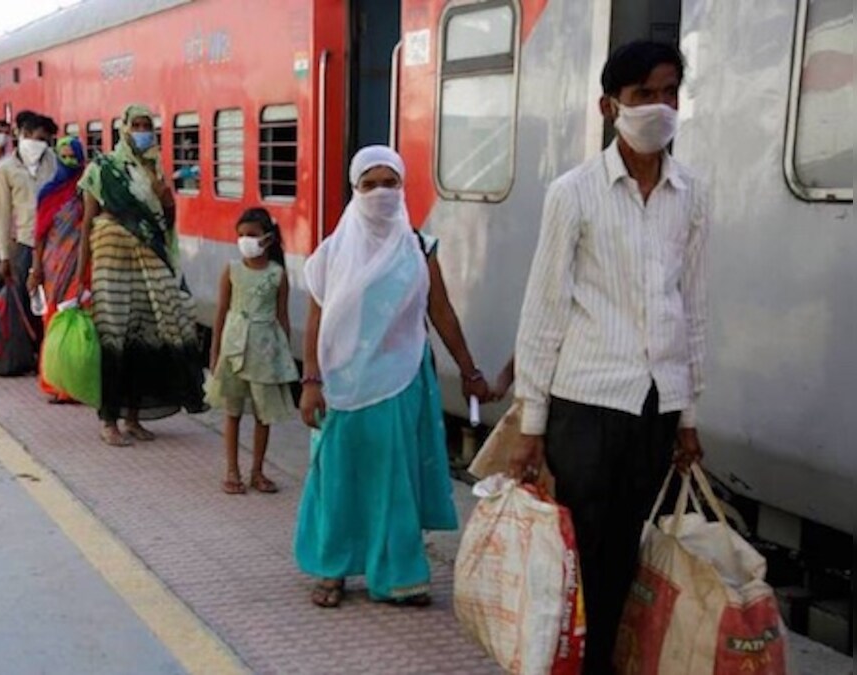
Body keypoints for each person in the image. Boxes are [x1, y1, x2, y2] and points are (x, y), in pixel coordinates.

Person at [512, 41, 708, 674]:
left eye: (670, 92)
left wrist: (687, 414)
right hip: (588, 404)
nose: (659, 106)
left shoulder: (690, 195)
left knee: (628, 552)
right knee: (587, 552)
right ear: (609, 106)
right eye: (643, 94)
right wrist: (531, 425)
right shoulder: (572, 194)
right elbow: (544, 309)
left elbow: (692, 308)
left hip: (653, 405)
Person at [294, 146, 491, 609]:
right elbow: (316, 320)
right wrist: (311, 382)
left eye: (391, 183)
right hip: (343, 385)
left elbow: (440, 312)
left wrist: (469, 369)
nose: (381, 193)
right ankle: (332, 569)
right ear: (355, 190)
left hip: (402, 380)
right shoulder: (332, 253)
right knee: (337, 475)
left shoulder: (421, 247)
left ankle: (398, 574)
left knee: (393, 477)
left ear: (403, 188)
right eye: (370, 183)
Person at [76, 103, 207, 446]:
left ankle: (133, 417)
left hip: (148, 261)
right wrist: (79, 274)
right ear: (123, 127)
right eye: (136, 124)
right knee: (114, 341)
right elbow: (87, 221)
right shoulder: (102, 168)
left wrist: (167, 200)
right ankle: (108, 421)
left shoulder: (156, 168)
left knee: (146, 341)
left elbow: (166, 226)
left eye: (147, 124)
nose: (142, 130)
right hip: (110, 263)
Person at [205, 207, 297, 495]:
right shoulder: (231, 271)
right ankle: (232, 470)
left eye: (252, 235)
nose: (245, 241)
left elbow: (283, 317)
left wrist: (285, 354)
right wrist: (215, 349)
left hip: (265, 351)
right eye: (241, 235)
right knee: (232, 411)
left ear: (267, 240)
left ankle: (257, 470)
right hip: (233, 349)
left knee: (262, 413)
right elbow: (221, 312)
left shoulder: (277, 274)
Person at [32, 135, 86, 402]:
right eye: (64, 154)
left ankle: (77, 383)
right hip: (52, 269)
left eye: (73, 154)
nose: (69, 160)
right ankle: (56, 384)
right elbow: (39, 235)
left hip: (81, 267)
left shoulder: (87, 190)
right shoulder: (48, 192)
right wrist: (35, 270)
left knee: (79, 325)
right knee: (54, 324)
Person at [0, 112, 57, 288]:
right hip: (24, 242)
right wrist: (4, 255)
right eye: (39, 139)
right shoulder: (6, 168)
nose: (42, 145)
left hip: (51, 240)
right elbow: (2, 214)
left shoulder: (53, 161)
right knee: (23, 295)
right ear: (25, 134)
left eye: (46, 141)